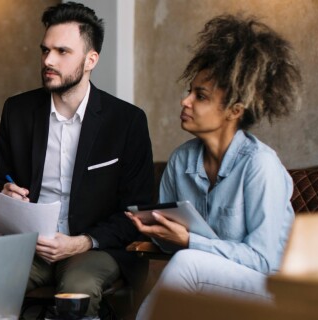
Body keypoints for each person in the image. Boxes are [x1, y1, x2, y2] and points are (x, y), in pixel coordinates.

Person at [128, 14, 301, 319]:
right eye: (189, 91)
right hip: (211, 280)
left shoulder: (260, 165)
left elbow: (264, 260)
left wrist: (189, 241)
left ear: (234, 110)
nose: (185, 101)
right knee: (185, 264)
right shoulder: (180, 161)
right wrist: (158, 233)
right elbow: (172, 247)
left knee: (188, 263)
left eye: (200, 96)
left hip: (272, 287)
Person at [0, 2, 154, 317]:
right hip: (31, 247)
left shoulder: (127, 121)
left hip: (94, 248)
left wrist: (83, 242)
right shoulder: (17, 112)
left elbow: (137, 212)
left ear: (91, 59)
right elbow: (3, 182)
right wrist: (6, 195)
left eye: (62, 52)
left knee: (77, 291)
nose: (48, 60)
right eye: (45, 50)